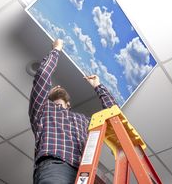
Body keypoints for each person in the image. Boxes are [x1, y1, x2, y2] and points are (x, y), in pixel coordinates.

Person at [29, 39, 118, 184]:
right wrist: (56, 50)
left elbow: (114, 117)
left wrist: (98, 86)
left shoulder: (84, 120)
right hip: (56, 166)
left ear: (69, 104)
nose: (58, 86)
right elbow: (43, 76)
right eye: (53, 87)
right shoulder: (42, 110)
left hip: (85, 173)